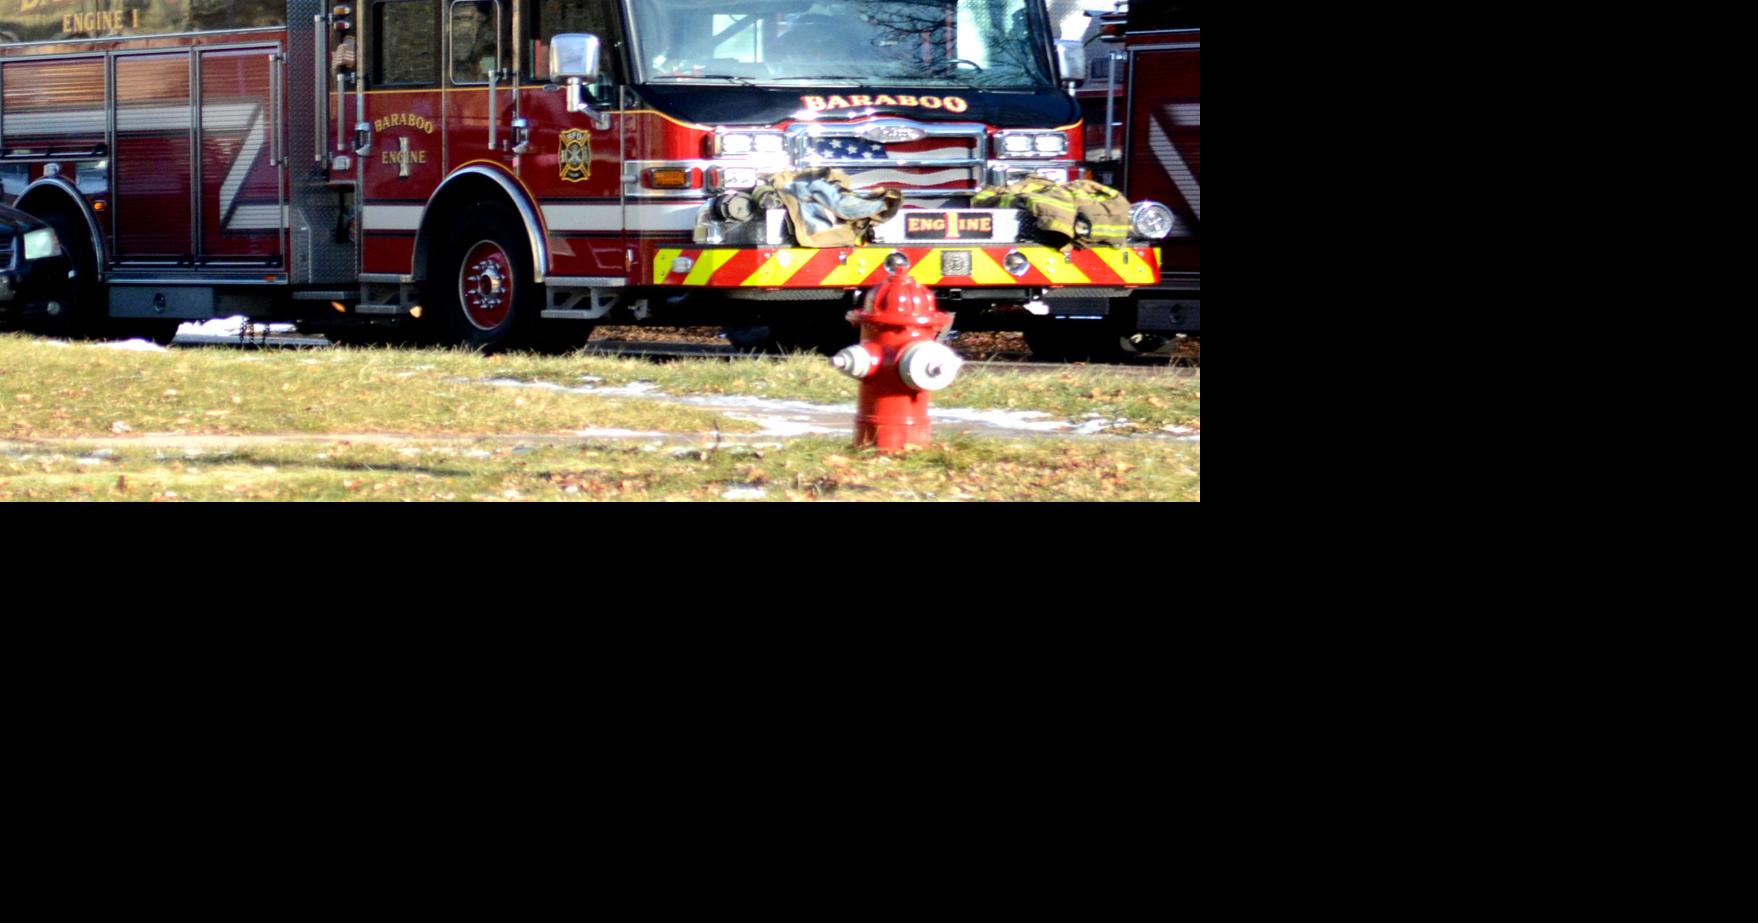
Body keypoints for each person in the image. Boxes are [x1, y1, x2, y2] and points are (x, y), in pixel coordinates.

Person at [451, 2, 498, 83]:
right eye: (457, 19)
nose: (464, 25)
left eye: (468, 18)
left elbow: (486, 74)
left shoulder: (487, 38)